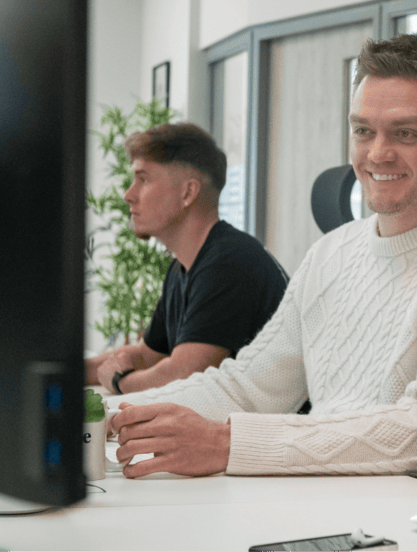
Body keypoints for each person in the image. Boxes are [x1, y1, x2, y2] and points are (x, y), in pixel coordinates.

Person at [109, 33, 417, 481]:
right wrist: (112, 413)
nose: (377, 153)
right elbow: (250, 387)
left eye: (405, 133)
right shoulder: (331, 253)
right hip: (322, 501)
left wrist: (229, 444)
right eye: (363, 131)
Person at [85, 122, 288, 396]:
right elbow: (146, 356)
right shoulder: (182, 267)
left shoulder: (229, 262)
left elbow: (186, 377)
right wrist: (71, 371)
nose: (128, 195)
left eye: (143, 179)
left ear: (188, 193)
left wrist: (121, 381)